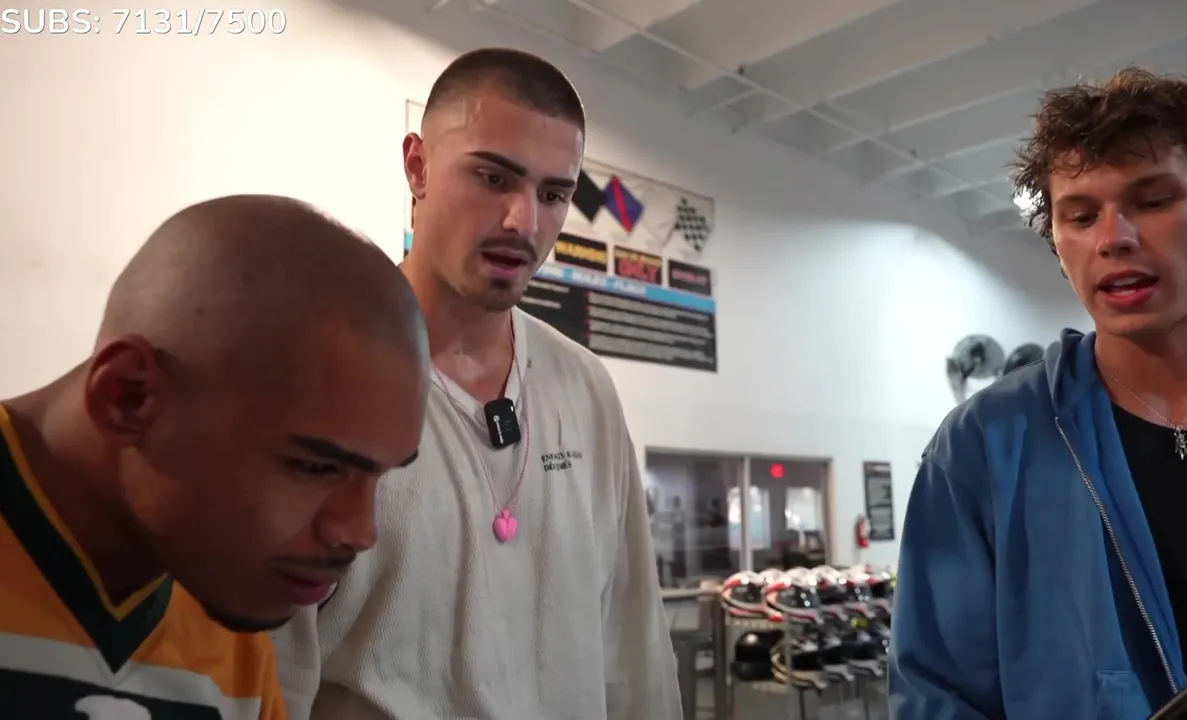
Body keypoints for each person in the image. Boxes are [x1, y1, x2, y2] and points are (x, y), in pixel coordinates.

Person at [271, 47, 683, 720]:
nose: (524, 221)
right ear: (417, 166)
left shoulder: (584, 389)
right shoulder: (314, 375)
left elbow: (633, 649)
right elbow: (268, 669)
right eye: (494, 178)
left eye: (553, 195)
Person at [889, 68, 1187, 718]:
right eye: (1082, 216)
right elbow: (937, 693)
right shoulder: (987, 445)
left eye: (1153, 201)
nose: (1112, 238)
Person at [0, 195, 430, 717]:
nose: (360, 532)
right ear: (127, 396)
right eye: (315, 467)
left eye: (380, 476)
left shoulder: (225, 602)